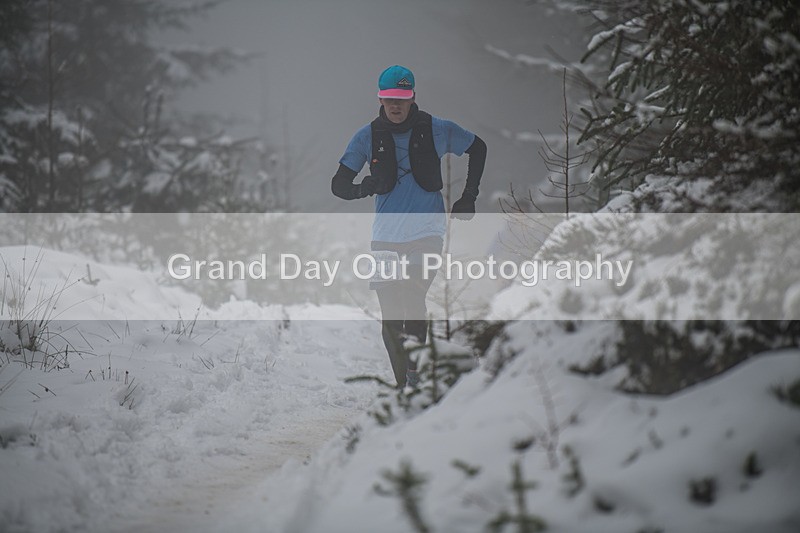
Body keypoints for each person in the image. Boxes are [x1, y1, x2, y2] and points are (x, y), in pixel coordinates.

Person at [331, 65, 487, 389]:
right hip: (386, 238)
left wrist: (468, 196)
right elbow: (339, 185)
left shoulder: (436, 129)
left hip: (427, 233)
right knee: (390, 316)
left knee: (413, 297)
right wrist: (366, 186)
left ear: (413, 96)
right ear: (380, 98)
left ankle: (415, 377)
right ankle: (404, 384)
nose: (396, 105)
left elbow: (478, 147)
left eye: (402, 98)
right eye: (390, 99)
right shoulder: (367, 137)